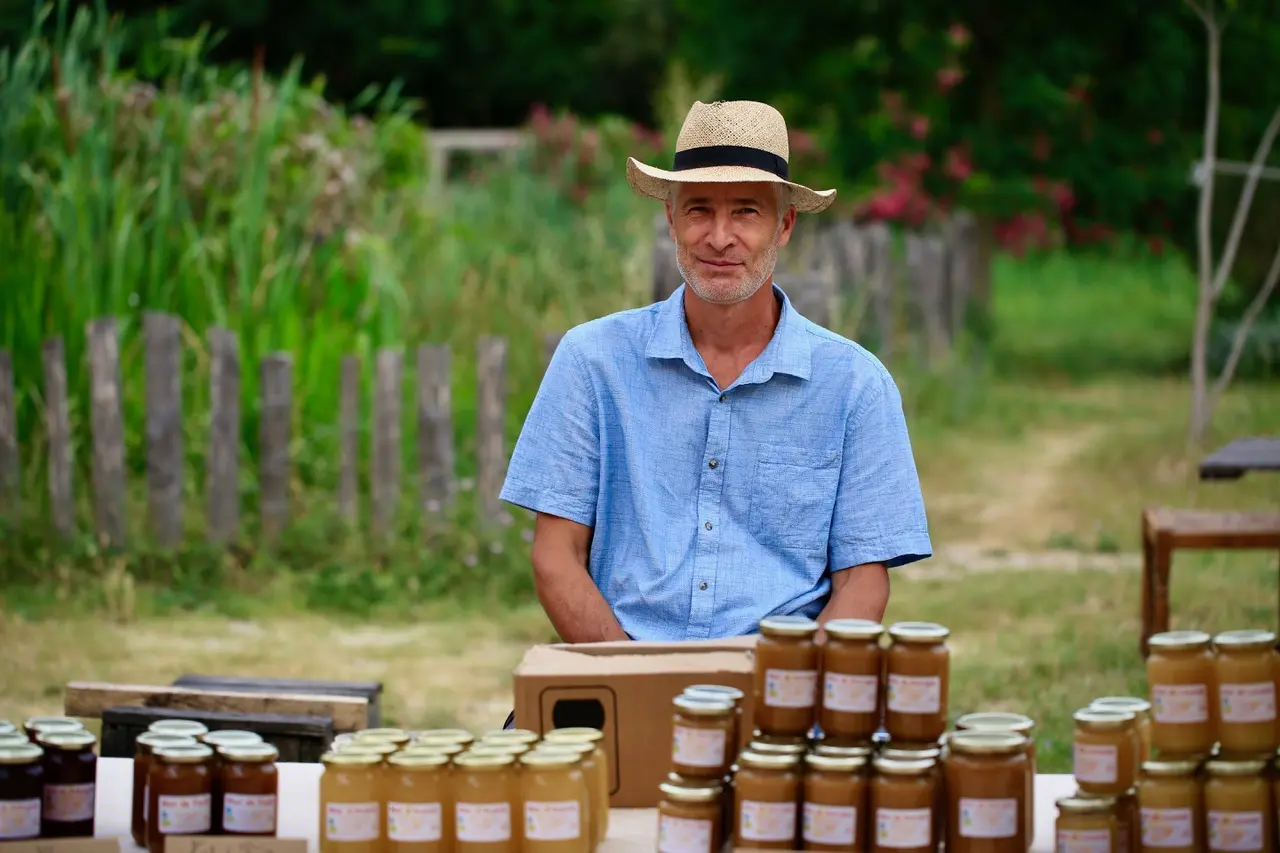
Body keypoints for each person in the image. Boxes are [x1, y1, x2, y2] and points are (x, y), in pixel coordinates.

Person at [500, 99, 931, 649]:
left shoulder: (855, 385)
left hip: (785, 676)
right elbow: (555, 556)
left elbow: (861, 583)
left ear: (784, 225)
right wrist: (638, 681)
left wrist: (789, 687)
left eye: (747, 211)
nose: (720, 237)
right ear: (671, 220)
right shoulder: (591, 361)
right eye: (699, 210)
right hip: (620, 664)